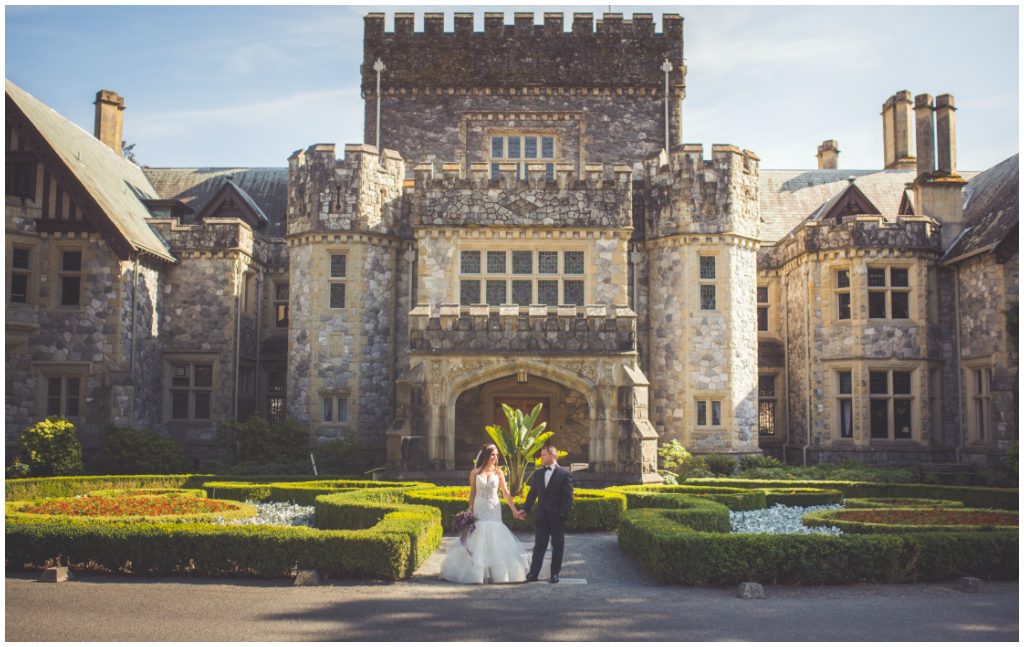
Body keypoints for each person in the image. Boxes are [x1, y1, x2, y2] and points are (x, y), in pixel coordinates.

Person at [440, 443, 530, 584]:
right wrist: (469, 510)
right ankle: (476, 574)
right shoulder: (475, 472)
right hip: (480, 506)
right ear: (486, 455)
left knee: (496, 536)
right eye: (493, 454)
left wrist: (514, 510)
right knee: (478, 536)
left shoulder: (498, 472)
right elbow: (472, 492)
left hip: (494, 507)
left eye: (496, 455)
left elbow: (506, 493)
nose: (495, 457)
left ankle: (499, 574)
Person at [515, 441, 574, 583]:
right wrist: (525, 509)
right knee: (539, 546)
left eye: (543, 454)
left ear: (553, 455)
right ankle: (533, 574)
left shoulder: (564, 474)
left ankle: (555, 574)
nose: (540, 457)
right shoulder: (538, 473)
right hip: (541, 516)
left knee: (557, 546)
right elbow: (532, 494)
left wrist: (562, 513)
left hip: (557, 517)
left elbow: (568, 497)